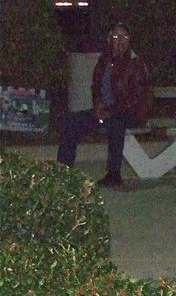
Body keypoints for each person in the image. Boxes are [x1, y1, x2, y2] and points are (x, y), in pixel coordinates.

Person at [57, 22, 154, 187]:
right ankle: (63, 171)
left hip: (131, 113)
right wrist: (98, 105)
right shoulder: (104, 60)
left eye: (124, 36)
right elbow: (96, 86)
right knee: (72, 121)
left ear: (130, 40)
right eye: (116, 36)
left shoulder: (135, 63)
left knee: (116, 122)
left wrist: (111, 110)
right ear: (110, 39)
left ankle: (113, 174)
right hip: (106, 111)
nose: (120, 41)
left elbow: (136, 97)